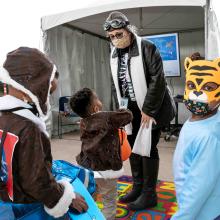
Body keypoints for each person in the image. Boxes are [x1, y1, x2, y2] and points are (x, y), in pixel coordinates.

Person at [0, 47, 88, 219]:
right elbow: (37, 182)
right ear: (30, 87)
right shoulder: (28, 128)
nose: (47, 97)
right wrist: (67, 197)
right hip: (23, 205)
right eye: (48, 91)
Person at [103, 11, 176, 210]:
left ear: (128, 30)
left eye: (119, 34)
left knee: (148, 149)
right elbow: (115, 84)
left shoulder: (147, 47)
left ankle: (149, 193)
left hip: (151, 107)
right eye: (111, 37)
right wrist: (120, 109)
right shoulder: (114, 53)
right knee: (134, 147)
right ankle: (138, 186)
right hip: (130, 110)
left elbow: (158, 80)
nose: (115, 40)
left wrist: (149, 109)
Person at [70, 87, 133, 219]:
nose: (100, 100)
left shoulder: (83, 122)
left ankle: (89, 216)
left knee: (90, 194)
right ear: (94, 108)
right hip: (107, 168)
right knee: (109, 200)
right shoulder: (108, 117)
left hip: (88, 167)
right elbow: (128, 116)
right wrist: (122, 109)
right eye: (97, 99)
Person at [171, 56, 220, 219]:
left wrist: (182, 216)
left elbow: (199, 186)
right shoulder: (199, 120)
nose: (197, 93)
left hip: (202, 212)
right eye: (191, 85)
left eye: (208, 87)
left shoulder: (208, 136)